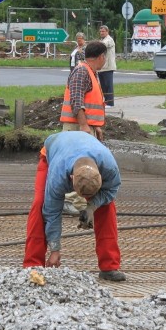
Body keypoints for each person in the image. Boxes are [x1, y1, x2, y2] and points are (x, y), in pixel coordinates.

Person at [24, 131, 126, 282]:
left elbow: (111, 190)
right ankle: (33, 265)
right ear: (71, 179)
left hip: (83, 150)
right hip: (53, 153)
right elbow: (52, 212)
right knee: (40, 203)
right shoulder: (58, 174)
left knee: (107, 206)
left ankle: (109, 266)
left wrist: (92, 207)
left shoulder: (109, 168)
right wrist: (55, 249)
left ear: (100, 176)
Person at [59, 41, 108, 215]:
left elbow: (88, 102)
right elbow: (76, 100)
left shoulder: (90, 72)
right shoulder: (82, 71)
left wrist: (95, 126)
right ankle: (71, 200)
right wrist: (84, 124)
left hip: (84, 128)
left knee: (84, 163)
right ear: (101, 56)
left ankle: (77, 200)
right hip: (77, 129)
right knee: (77, 163)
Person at [98, 25, 116, 107]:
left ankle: (110, 103)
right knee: (103, 86)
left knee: (108, 86)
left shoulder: (109, 39)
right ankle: (105, 101)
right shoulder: (101, 40)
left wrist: (95, 44)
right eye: (100, 31)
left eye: (103, 31)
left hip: (108, 67)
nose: (101, 33)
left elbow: (103, 45)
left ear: (107, 32)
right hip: (101, 67)